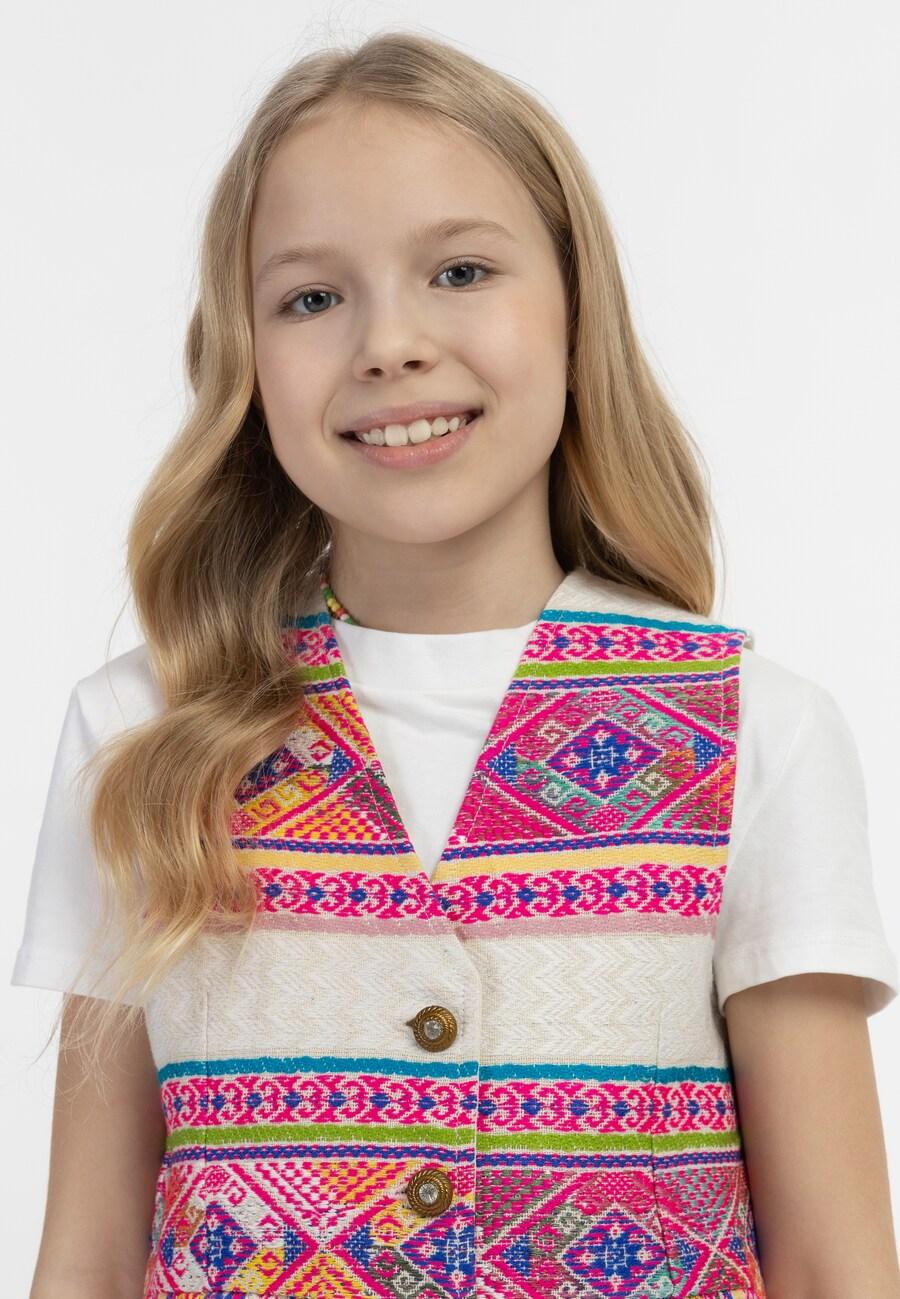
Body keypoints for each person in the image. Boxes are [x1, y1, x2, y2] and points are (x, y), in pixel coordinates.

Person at [11, 29, 900, 1299]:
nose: (390, 343)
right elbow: (88, 1257)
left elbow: (834, 1265)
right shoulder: (142, 737)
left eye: (461, 271)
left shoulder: (756, 731)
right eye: (311, 299)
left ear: (576, 307)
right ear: (244, 358)